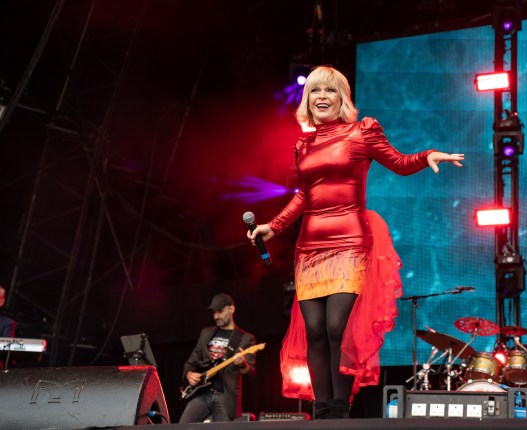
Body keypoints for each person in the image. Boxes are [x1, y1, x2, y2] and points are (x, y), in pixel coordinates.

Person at [247, 65, 464, 419]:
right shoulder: (304, 144)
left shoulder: (362, 132)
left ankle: (339, 406)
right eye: (315, 91)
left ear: (342, 99)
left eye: (330, 91)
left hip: (350, 240)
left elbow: (399, 162)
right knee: (314, 330)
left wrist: (427, 157)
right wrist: (275, 226)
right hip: (310, 245)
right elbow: (305, 193)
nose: (321, 97)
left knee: (336, 327)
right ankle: (322, 409)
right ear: (307, 99)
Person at [178, 293, 256, 423]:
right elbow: (190, 362)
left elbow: (251, 372)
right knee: (182, 426)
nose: (216, 316)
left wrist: (243, 364)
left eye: (220, 311)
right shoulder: (206, 333)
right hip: (202, 392)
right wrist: (189, 374)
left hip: (225, 396)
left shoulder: (245, 338)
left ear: (231, 309)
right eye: (214, 312)